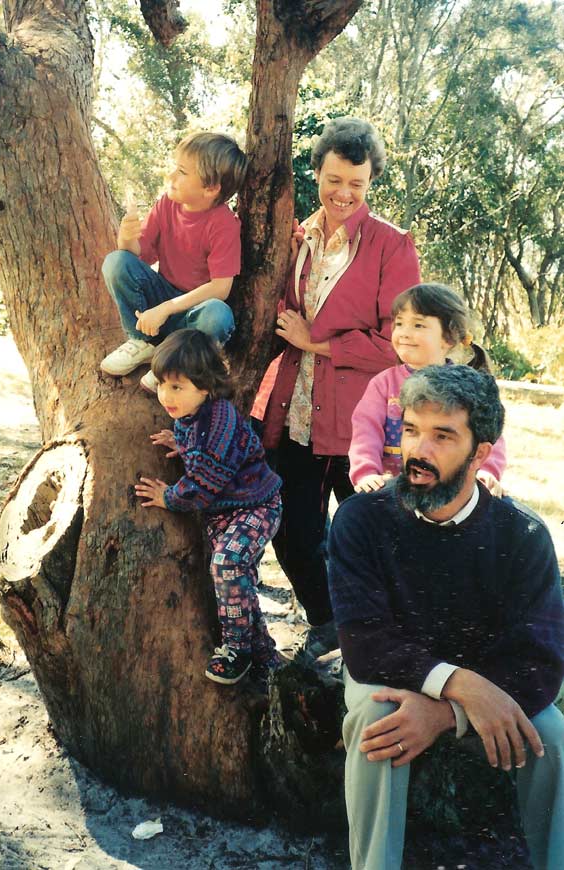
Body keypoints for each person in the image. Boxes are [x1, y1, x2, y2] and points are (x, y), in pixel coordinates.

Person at [328, 364, 564, 870]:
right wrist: (457, 686)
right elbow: (366, 645)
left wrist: (446, 710)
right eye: (411, 430)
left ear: (481, 450)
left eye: (442, 436)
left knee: (555, 737)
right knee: (378, 722)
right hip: (390, 673)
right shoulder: (360, 518)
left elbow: (541, 659)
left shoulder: (522, 535)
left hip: (488, 679)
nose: (418, 452)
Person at [256, 117, 421, 661]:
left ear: (371, 181)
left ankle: (394, 643)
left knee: (377, 538)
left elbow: (399, 341)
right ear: (317, 173)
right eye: (333, 180)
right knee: (294, 530)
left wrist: (317, 342)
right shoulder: (296, 238)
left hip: (366, 422)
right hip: (296, 410)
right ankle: (330, 624)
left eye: (356, 182)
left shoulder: (392, 246)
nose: (343, 193)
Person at [134, 329, 283, 686]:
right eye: (161, 385)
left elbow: (203, 482)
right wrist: (180, 443)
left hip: (256, 507)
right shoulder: (193, 414)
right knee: (238, 580)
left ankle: (236, 650)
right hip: (225, 512)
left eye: (177, 387)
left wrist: (168, 497)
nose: (165, 396)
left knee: (228, 564)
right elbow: (196, 444)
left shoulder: (220, 420)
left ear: (204, 386)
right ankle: (266, 656)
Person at [100, 131, 248, 392]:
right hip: (159, 304)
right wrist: (126, 239)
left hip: (192, 315)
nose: (171, 177)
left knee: (218, 315)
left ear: (211, 188)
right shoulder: (167, 204)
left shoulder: (224, 224)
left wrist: (166, 309)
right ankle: (141, 342)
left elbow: (221, 288)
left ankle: (176, 363)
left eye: (182, 171)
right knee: (116, 261)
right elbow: (138, 256)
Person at [349, 282, 506, 494]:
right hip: (392, 491)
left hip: (448, 491)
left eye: (418, 325)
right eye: (399, 323)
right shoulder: (383, 384)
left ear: (449, 336)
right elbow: (365, 432)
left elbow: (490, 435)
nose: (403, 333)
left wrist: (486, 471)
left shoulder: (466, 386)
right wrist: (367, 472)